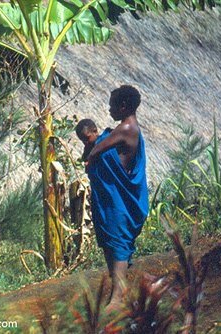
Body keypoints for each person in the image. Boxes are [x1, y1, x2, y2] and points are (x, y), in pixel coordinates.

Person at [75, 85, 149, 311]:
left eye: (111, 105)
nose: (109, 110)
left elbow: (97, 149)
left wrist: (90, 160)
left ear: (123, 106)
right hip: (115, 198)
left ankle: (117, 299)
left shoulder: (125, 128)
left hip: (119, 200)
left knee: (118, 243)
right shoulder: (124, 128)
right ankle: (121, 291)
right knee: (113, 243)